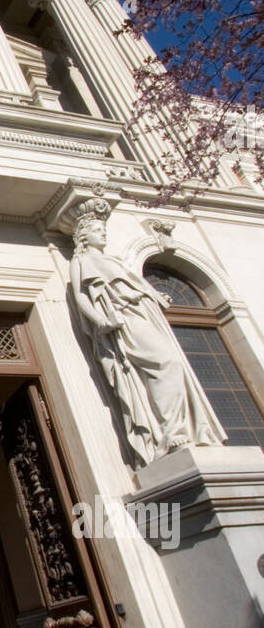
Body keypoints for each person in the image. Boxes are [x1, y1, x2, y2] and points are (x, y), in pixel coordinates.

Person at [69, 198, 225, 467]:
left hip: (141, 315)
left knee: (171, 365)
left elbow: (136, 286)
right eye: (97, 230)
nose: (103, 233)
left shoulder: (113, 259)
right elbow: (81, 297)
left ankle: (179, 431)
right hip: (124, 322)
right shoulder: (81, 260)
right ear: (83, 236)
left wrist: (153, 295)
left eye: (103, 230)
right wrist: (101, 320)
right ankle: (172, 432)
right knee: (166, 363)